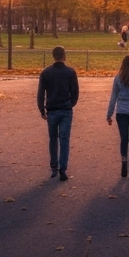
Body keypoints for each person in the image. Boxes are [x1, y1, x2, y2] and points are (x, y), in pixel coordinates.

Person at [37, 46, 79, 181]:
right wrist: (70, 104)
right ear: (64, 56)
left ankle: (54, 166)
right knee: (64, 139)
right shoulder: (70, 72)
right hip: (65, 109)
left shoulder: (46, 73)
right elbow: (75, 92)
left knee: (53, 139)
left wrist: (42, 109)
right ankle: (63, 168)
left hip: (52, 109)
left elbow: (40, 94)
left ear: (53, 56)